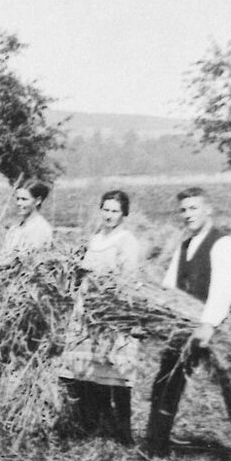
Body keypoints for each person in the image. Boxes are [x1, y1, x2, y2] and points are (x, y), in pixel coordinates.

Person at [146, 187, 231, 461]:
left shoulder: (223, 244)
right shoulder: (184, 246)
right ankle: (155, 447)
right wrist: (158, 314)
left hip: (218, 327)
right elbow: (170, 286)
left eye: (193, 208)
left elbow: (222, 290)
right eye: (183, 210)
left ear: (208, 209)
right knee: (167, 381)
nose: (187, 215)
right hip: (183, 325)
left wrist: (208, 325)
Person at [57, 190, 143, 444]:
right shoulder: (95, 239)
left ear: (124, 214)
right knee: (90, 372)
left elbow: (128, 279)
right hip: (88, 310)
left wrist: (110, 298)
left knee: (116, 374)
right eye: (106, 209)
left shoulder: (126, 241)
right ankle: (94, 426)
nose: (109, 215)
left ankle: (124, 434)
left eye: (115, 211)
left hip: (111, 311)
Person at [3, 182, 54, 254]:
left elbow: (31, 257)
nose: (19, 203)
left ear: (38, 201)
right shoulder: (15, 228)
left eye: (24, 199)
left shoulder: (40, 228)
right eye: (17, 199)